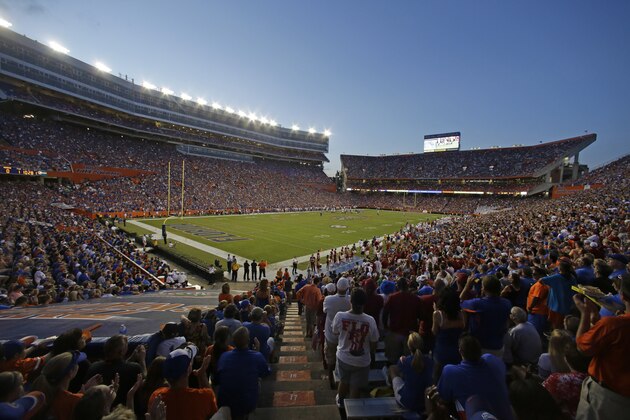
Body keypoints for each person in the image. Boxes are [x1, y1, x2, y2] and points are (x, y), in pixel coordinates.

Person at [573, 273, 630, 419]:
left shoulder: (614, 325)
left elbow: (582, 347)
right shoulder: (615, 323)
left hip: (609, 396)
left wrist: (585, 313)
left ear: (622, 296)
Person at [428, 335, 514, 420]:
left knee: (434, 397)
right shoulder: (492, 360)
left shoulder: (450, 371)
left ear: (460, 351)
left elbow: (443, 398)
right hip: (507, 415)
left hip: (479, 415)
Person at [331, 288, 379, 409]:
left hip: (344, 357)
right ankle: (352, 409)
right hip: (362, 360)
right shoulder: (370, 320)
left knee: (344, 381)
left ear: (350, 301)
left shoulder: (340, 316)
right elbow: (374, 345)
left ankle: (341, 402)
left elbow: (335, 332)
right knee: (355, 386)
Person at [215, 327, 271, 420]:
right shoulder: (256, 356)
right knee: (258, 380)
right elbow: (265, 373)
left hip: (224, 401)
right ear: (248, 340)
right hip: (246, 402)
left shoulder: (224, 356)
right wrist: (257, 351)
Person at [148, 345, 217, 420]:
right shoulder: (205, 396)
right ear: (188, 370)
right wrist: (202, 374)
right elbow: (214, 412)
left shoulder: (157, 396)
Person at [86, 335, 145, 407]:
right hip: (125, 412)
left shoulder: (93, 367)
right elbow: (146, 383)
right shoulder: (134, 368)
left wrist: (131, 358)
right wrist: (142, 360)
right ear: (121, 352)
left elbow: (115, 366)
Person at [460, 275, 511, 357]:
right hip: (498, 346)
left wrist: (467, 286)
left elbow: (460, 302)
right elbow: (496, 303)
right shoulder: (507, 303)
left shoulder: (477, 304)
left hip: (481, 347)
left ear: (483, 288)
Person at [387, 332, 433, 415]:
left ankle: (390, 387)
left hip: (407, 401)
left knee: (392, 369)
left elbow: (401, 374)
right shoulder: (430, 362)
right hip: (425, 402)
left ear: (409, 346)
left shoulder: (404, 361)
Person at [382, 278, 423, 364]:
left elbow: (385, 314)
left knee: (393, 361)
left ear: (397, 286)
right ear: (407, 286)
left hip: (395, 332)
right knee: (409, 361)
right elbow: (421, 316)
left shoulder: (392, 298)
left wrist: (386, 327)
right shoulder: (415, 298)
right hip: (410, 334)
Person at [323, 277, 351, 387]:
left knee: (331, 358)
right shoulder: (350, 300)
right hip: (345, 336)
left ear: (337, 287)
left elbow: (324, 311)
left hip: (331, 335)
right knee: (343, 358)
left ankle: (331, 379)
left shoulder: (329, 299)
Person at [432, 289, 464, 382]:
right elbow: (462, 327)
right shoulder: (461, 313)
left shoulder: (437, 314)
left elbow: (434, 331)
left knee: (439, 378)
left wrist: (435, 312)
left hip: (441, 352)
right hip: (457, 350)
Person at [541, 260, 577, 329]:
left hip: (556, 306)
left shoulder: (557, 277)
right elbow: (575, 289)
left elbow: (541, 280)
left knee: (556, 324)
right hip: (567, 304)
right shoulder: (572, 277)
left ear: (560, 269)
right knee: (564, 323)